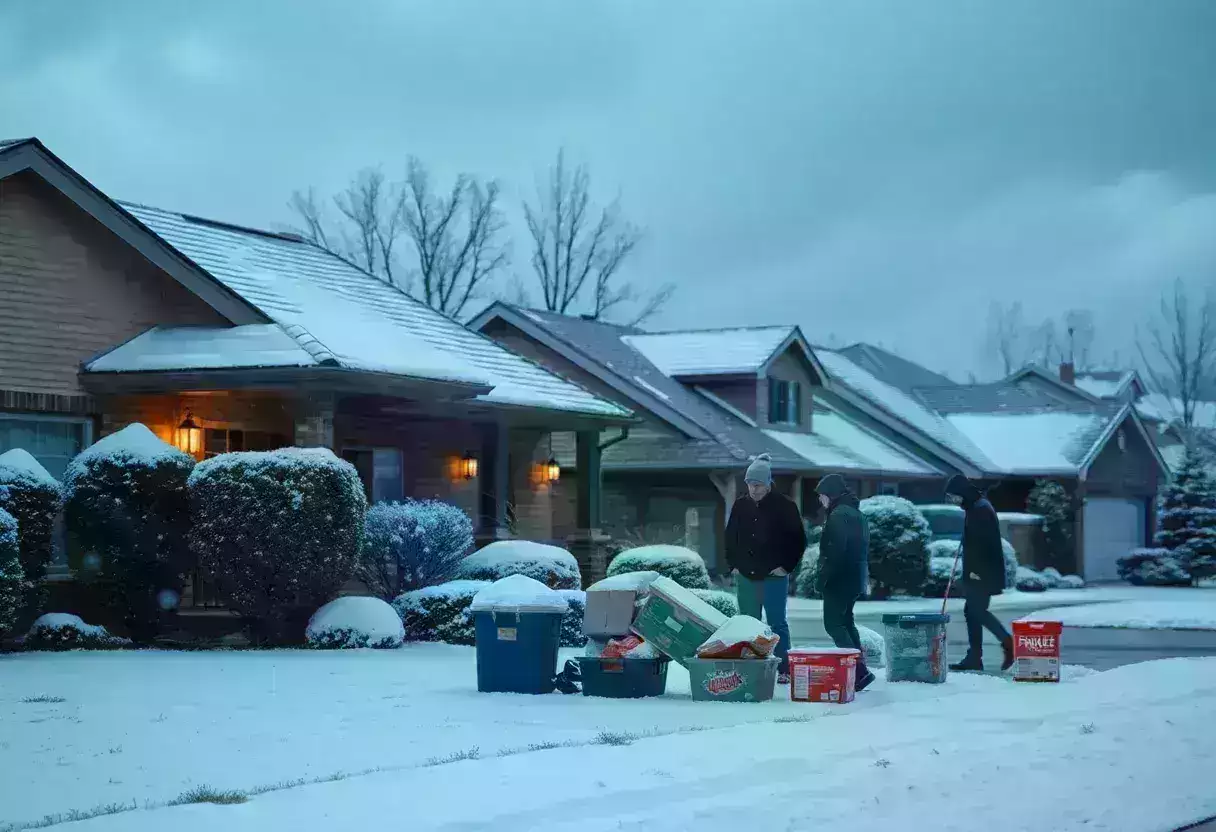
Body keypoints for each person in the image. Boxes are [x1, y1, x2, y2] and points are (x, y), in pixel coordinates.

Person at [725, 453, 807, 683]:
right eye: (750, 485)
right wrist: (733, 565)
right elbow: (730, 537)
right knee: (748, 622)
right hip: (746, 574)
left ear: (768, 483)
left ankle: (784, 670)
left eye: (759, 485)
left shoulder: (785, 506)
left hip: (774, 575)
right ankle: (750, 668)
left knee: (777, 622)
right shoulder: (741, 505)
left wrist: (786, 567)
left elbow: (798, 541)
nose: (754, 489)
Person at [944, 474, 1014, 672]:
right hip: (980, 572)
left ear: (962, 492)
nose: (953, 500)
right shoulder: (975, 507)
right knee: (972, 611)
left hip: (982, 573)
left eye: (954, 496)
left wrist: (976, 572)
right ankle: (975, 656)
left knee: (976, 611)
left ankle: (1008, 643)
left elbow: (983, 545)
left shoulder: (980, 509)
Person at [814, 474, 876, 691]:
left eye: (822, 496)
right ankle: (860, 671)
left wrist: (822, 579)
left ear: (830, 494)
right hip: (854, 578)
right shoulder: (856, 513)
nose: (820, 500)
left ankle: (859, 672)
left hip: (839, 579)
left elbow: (834, 552)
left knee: (833, 624)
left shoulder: (839, 515)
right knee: (846, 622)